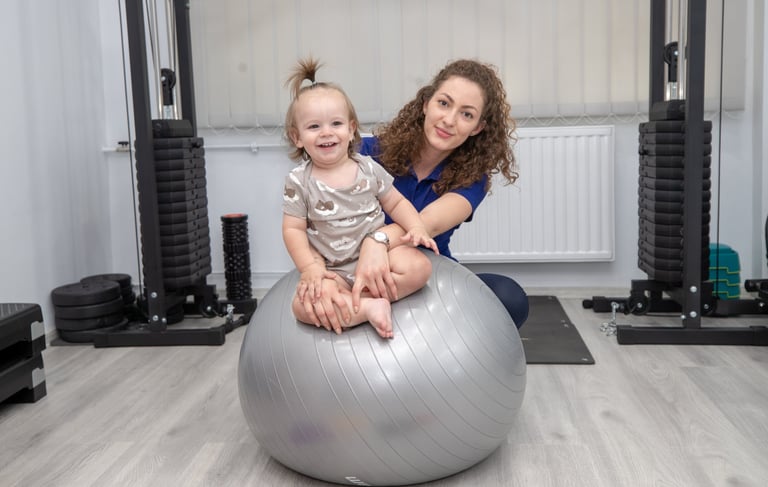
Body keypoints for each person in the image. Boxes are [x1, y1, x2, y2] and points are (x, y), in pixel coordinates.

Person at [302, 58, 530, 333]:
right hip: (352, 267)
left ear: (478, 128)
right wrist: (317, 270)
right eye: (443, 103)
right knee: (309, 302)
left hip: (424, 273)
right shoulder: (365, 153)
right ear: (425, 104)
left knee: (509, 298)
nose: (449, 120)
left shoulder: (473, 179)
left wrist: (377, 241)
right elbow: (314, 216)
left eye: (466, 115)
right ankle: (365, 307)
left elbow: (425, 224)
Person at [281, 58, 439, 339]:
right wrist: (310, 269)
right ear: (297, 137)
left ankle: (353, 301)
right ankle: (367, 307)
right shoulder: (299, 181)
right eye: (314, 127)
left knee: (419, 268)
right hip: (334, 269)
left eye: (336, 123)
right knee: (301, 307)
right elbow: (293, 229)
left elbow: (396, 202)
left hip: (381, 258)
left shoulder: (367, 167)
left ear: (351, 128)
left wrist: (416, 227)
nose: (327, 132)